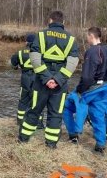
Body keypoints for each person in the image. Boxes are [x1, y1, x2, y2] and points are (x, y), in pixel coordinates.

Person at [18, 11, 79, 149]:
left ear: (50, 20)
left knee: (34, 111)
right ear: (63, 22)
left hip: (40, 81)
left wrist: (46, 78)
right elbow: (72, 63)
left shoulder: (40, 35)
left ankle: (23, 140)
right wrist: (57, 80)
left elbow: (34, 58)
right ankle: (51, 145)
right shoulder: (71, 39)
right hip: (60, 84)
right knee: (56, 114)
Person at [63, 27, 107, 154]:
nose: (87, 39)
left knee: (67, 106)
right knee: (98, 115)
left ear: (91, 36)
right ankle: (100, 145)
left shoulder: (92, 52)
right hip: (105, 87)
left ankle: (73, 135)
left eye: (87, 36)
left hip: (91, 88)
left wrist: (80, 90)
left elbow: (87, 76)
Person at [11, 34, 44, 128]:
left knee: (23, 100)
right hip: (37, 78)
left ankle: (20, 121)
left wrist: (16, 67)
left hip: (25, 78)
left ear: (27, 42)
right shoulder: (40, 53)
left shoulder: (20, 53)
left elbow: (13, 63)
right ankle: (39, 123)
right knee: (38, 101)